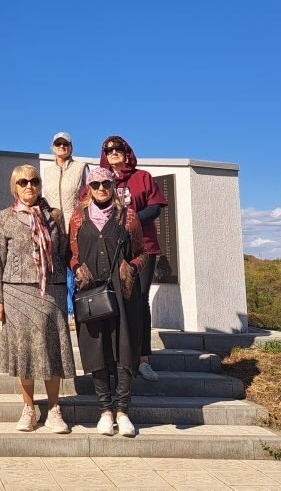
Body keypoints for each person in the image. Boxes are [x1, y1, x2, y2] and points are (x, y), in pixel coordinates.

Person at [0, 165, 75, 434]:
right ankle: (28, 408)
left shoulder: (54, 216)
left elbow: (62, 252)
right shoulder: (5, 217)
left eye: (34, 181)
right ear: (15, 186)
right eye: (23, 182)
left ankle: (54, 409)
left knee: (52, 349)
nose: (29, 186)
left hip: (51, 290)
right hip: (16, 291)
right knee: (24, 352)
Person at [67, 166, 148, 438]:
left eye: (106, 184)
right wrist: (77, 267)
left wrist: (132, 267)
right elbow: (71, 253)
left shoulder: (128, 216)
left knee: (124, 348)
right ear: (88, 189)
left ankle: (123, 410)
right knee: (96, 348)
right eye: (96, 184)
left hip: (123, 293)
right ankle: (105, 410)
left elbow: (142, 252)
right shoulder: (78, 218)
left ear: (113, 186)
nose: (101, 188)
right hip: (91, 293)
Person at [99, 135, 168, 382]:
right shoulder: (100, 180)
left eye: (118, 148)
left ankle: (143, 359)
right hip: (109, 252)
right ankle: (116, 359)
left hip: (143, 249)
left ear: (127, 152)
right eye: (109, 150)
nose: (114, 152)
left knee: (139, 301)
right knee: (112, 303)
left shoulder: (143, 177)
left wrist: (130, 219)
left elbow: (155, 207)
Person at [41, 132, 87, 314]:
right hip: (53, 228)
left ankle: (73, 310)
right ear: (52, 147)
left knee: (73, 267)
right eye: (58, 144)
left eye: (65, 144)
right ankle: (62, 308)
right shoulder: (47, 172)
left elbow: (88, 196)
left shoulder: (81, 167)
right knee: (57, 267)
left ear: (71, 147)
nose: (62, 147)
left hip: (76, 226)